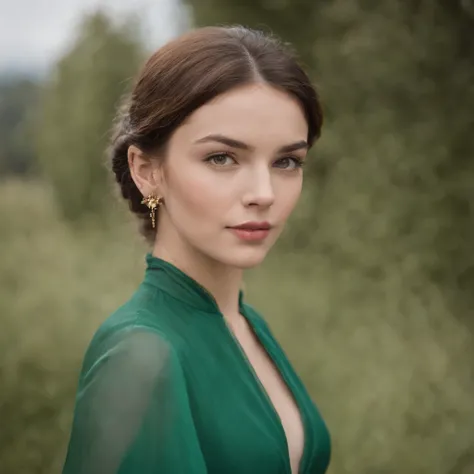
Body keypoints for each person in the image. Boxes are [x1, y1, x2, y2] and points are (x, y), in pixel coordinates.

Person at [62, 25, 331, 474]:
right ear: (147, 170)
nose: (263, 193)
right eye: (222, 158)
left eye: (287, 161)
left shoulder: (244, 322)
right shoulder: (140, 355)